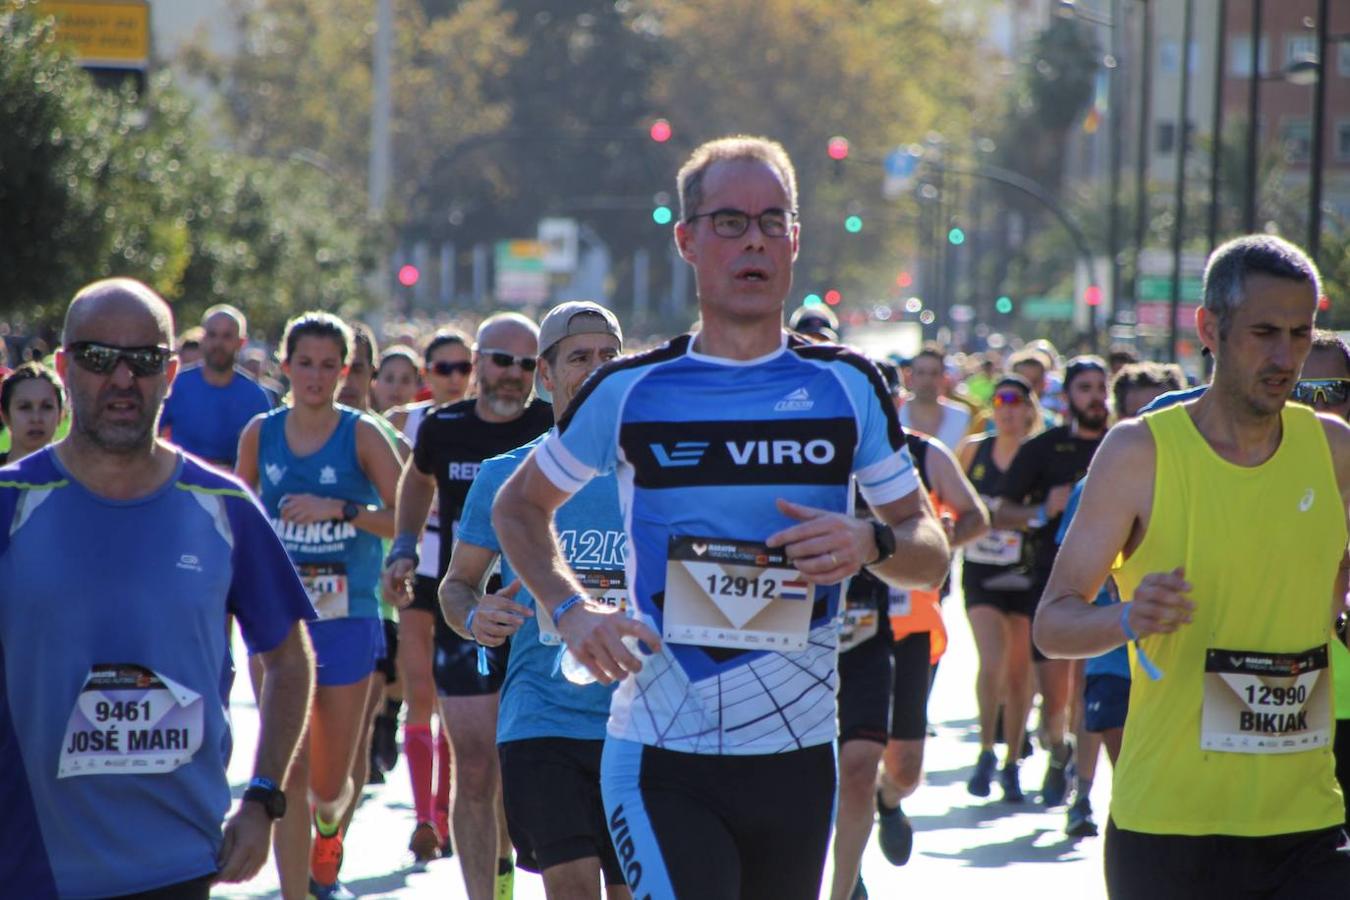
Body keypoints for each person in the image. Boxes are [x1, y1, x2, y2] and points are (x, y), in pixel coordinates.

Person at [491, 135, 950, 900]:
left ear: (796, 239)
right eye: (730, 222)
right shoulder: (629, 391)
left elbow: (929, 547)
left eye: (773, 221)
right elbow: (519, 508)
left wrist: (870, 540)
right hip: (660, 754)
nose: (755, 241)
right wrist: (571, 610)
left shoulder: (848, 384)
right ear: (687, 239)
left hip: (799, 757)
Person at [1036, 235, 1350, 898]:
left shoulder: (1333, 451)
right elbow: (1054, 622)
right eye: (1264, 332)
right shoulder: (1139, 454)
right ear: (1210, 328)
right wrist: (1127, 616)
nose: (1285, 357)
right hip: (1171, 828)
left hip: (1307, 823)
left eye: (1300, 334)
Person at [0, 278, 315, 898]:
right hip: (31, 865)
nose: (122, 379)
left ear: (171, 371)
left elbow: (288, 658)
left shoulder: (224, 506)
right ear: (64, 367)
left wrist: (263, 798)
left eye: (143, 361)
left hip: (179, 862)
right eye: (97, 358)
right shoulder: (12, 505)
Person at [439, 300, 632, 900]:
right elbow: (456, 585)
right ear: (545, 378)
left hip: (640, 724)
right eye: (579, 357)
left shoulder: (654, 474)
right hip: (540, 719)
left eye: (609, 356)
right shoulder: (507, 476)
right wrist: (475, 616)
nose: (596, 369)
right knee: (571, 887)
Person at [383, 312, 553, 898]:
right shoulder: (443, 425)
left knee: (512, 766)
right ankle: (488, 893)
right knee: (476, 765)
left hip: (539, 618)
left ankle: (507, 874)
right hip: (463, 604)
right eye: (502, 361)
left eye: (528, 364)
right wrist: (404, 546)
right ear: (478, 361)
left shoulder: (554, 427)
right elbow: (416, 479)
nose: (513, 375)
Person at [236, 312, 402, 899]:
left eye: (329, 365)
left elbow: (405, 518)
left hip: (348, 617)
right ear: (284, 367)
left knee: (330, 783)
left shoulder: (362, 434)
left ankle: (329, 832)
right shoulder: (261, 432)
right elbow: (238, 517)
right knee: (290, 767)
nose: (316, 376)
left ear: (347, 370)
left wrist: (341, 511)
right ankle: (295, 894)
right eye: (304, 363)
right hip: (280, 623)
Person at [1057, 362, 1181, 839]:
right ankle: (1091, 798)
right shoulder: (1099, 483)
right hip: (1114, 655)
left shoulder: (1220, 481)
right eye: (1137, 417)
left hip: (1185, 663)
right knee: (1128, 765)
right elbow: (1068, 592)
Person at [863, 431, 988, 893]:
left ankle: (888, 798)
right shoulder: (826, 446)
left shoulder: (924, 453)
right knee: (846, 755)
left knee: (906, 767)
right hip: (842, 628)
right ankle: (849, 871)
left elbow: (978, 516)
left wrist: (938, 543)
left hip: (911, 626)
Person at [992, 355, 1109, 808]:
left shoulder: (1126, 446)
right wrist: (1045, 510)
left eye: (1102, 387)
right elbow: (1001, 511)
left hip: (1112, 587)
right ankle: (1058, 750)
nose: (1095, 397)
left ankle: (1081, 787)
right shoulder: (1041, 449)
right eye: (1085, 388)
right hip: (1053, 582)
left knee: (1089, 690)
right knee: (1055, 698)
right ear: (1067, 397)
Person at [384, 326, 475, 859]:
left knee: (456, 699)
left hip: (468, 571)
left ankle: (444, 812)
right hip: (421, 567)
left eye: (464, 368)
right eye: (444, 369)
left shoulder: (486, 423)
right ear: (427, 375)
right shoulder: (405, 424)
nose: (455, 379)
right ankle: (424, 819)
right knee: (421, 691)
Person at [957, 374, 1043, 800]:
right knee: (990, 660)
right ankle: (986, 750)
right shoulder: (975, 450)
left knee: (1018, 670)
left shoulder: (1040, 454)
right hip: (982, 570)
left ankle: (1013, 761)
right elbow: (948, 498)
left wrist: (1025, 516)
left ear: (1030, 408)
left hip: (1026, 572)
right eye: (1001, 402)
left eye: (1016, 402)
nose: (1008, 410)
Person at [1293, 332, 1350, 832]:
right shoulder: (1248, 469)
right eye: (1301, 390)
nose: (1317, 406)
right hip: (1279, 701)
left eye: (1332, 390)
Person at [161, 305, 273, 468]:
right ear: (203, 338)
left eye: (227, 336)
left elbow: (266, 455)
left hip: (232, 486)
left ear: (241, 342)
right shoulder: (176, 384)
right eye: (212, 335)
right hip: (180, 482)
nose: (218, 343)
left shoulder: (256, 397)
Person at [899, 345, 971, 452]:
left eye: (934, 373)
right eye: (921, 373)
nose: (927, 380)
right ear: (910, 377)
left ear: (944, 378)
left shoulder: (961, 417)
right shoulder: (895, 414)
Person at [0, 362, 64, 464]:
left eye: (47, 407)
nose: (36, 418)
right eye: (25, 407)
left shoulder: (80, 475)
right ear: (5, 416)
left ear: (61, 414)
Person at [372, 345, 422, 413]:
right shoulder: (358, 422)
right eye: (389, 379)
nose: (396, 387)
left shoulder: (428, 422)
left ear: (416, 386)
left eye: (405, 380)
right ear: (375, 382)